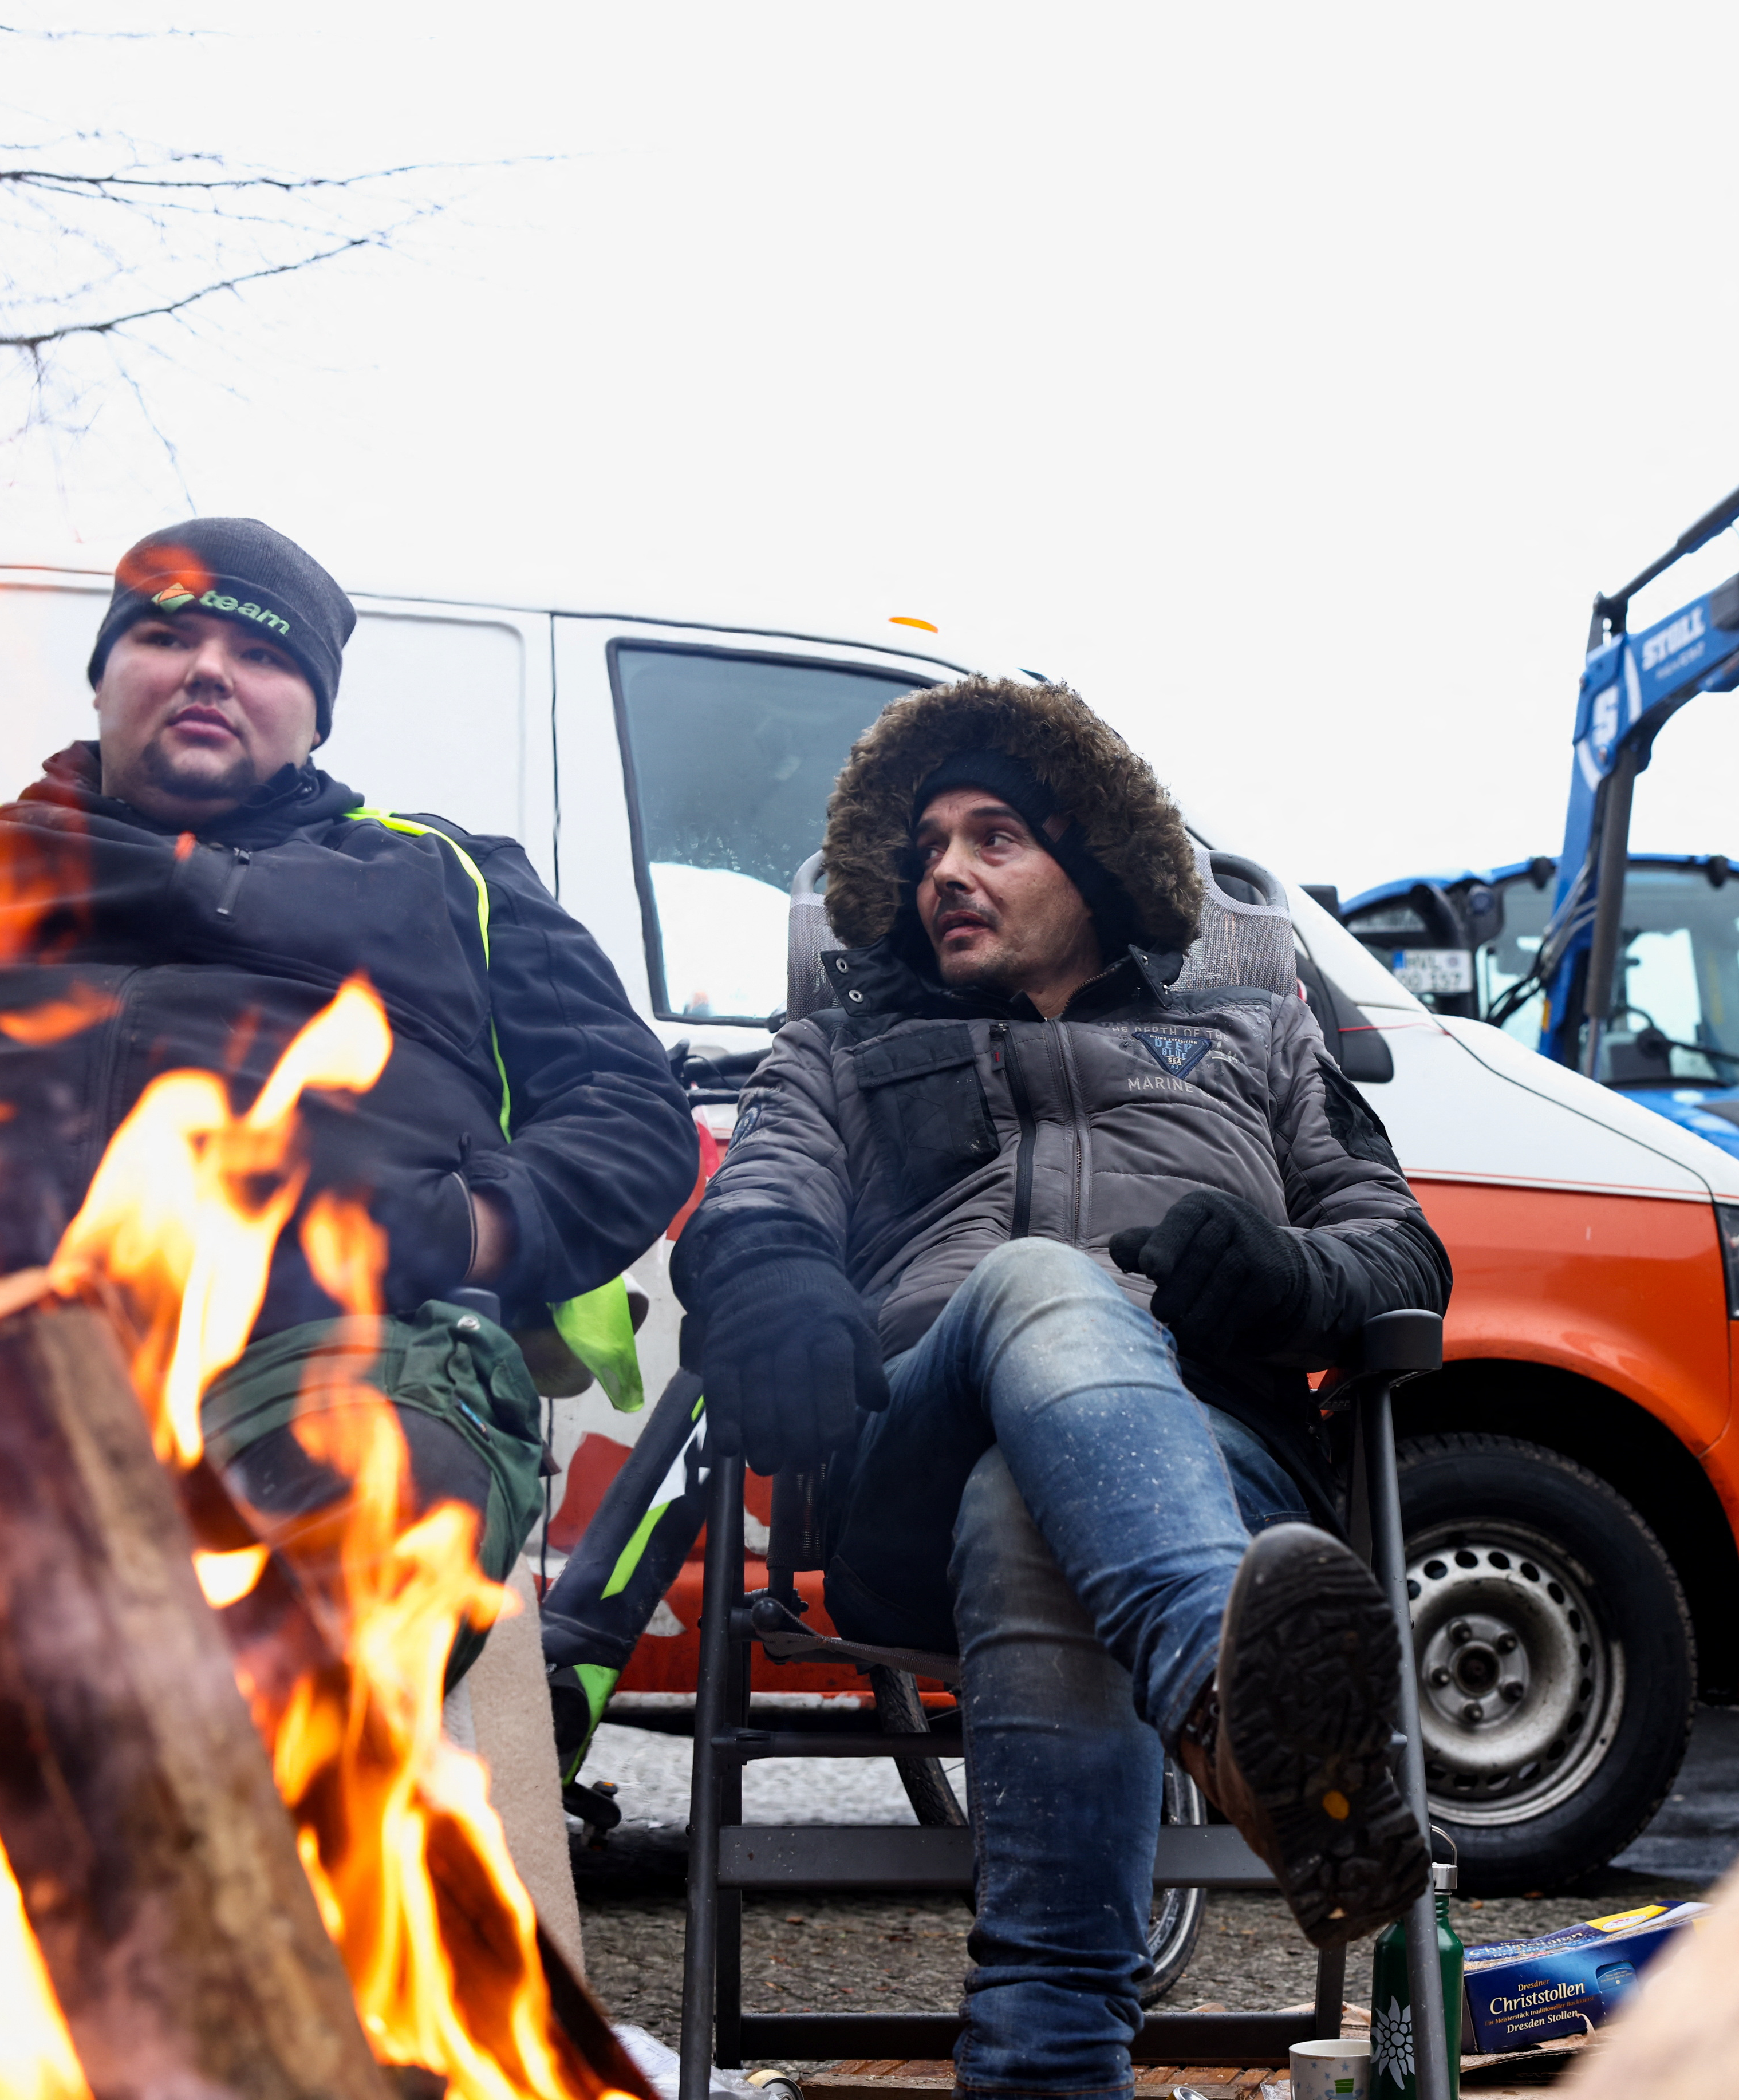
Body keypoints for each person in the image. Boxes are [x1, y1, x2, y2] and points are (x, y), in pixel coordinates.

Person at [0, 517, 698, 1680]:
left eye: (264, 656)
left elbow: (625, 1106)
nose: (212, 668)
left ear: (316, 716)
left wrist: (471, 1226)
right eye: (167, 634)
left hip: (314, 1344)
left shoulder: (451, 876)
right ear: (106, 673)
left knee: (372, 1516)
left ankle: (233, 1844)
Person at [671, 675, 1450, 2100]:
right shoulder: (838, 1048)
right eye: (922, 853)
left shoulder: (1253, 1038)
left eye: (991, 838)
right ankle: (1228, 1709)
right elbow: (754, 1211)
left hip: (1209, 1459)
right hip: (904, 1452)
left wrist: (1283, 1276)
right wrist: (769, 1282)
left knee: (1023, 1500)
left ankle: (1044, 2057)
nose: (944, 875)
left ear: (1089, 863)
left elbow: (1400, 1254)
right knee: (1042, 1282)